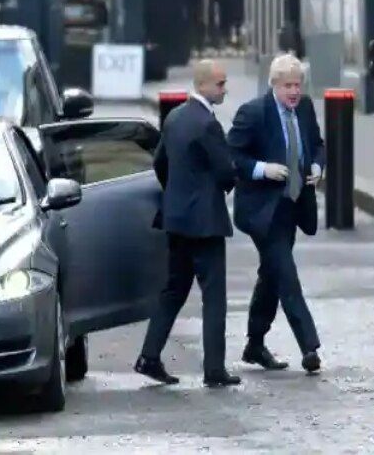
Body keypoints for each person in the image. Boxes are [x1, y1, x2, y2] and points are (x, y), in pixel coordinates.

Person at [135, 59, 240, 388]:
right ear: (204, 85)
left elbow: (159, 163)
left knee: (174, 290)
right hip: (205, 223)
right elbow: (226, 171)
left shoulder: (176, 117)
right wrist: (221, 187)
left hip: (176, 219)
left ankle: (149, 357)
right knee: (214, 296)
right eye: (221, 84)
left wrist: (177, 195)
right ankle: (214, 370)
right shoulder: (208, 124)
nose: (225, 89)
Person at [226, 53, 324, 374]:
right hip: (261, 211)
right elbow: (231, 155)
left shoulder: (305, 108)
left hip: (292, 206)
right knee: (286, 274)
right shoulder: (254, 113)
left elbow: (317, 144)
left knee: (271, 275)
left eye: (298, 85)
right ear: (274, 85)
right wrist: (261, 169)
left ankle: (255, 344)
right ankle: (309, 346)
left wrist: (317, 166)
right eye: (288, 86)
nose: (294, 91)